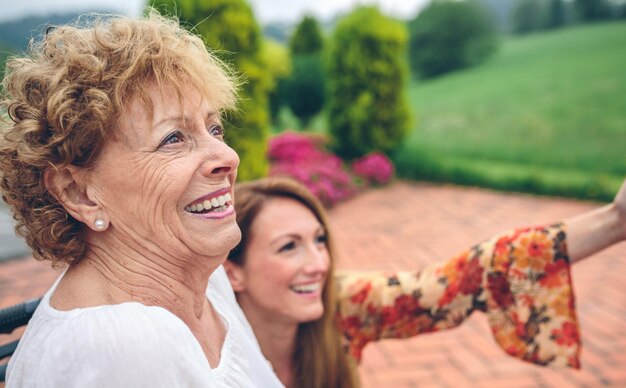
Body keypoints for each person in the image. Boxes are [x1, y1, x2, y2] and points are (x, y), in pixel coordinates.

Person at [0, 12, 284, 387]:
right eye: (173, 139)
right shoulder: (124, 346)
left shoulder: (201, 275)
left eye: (214, 128)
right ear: (78, 193)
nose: (227, 157)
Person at [224, 176, 626, 388]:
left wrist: (615, 221)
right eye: (289, 247)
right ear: (232, 272)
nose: (318, 264)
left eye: (319, 241)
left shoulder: (343, 304)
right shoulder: (201, 347)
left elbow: (470, 276)